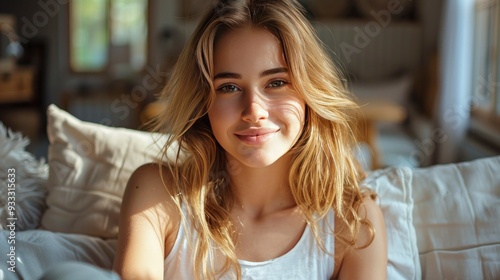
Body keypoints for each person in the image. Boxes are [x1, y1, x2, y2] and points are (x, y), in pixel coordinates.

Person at [113, 0, 387, 279]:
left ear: (309, 91)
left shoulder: (353, 221)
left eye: (276, 82)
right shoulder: (158, 195)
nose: (254, 111)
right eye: (229, 87)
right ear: (202, 102)